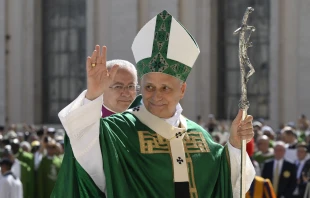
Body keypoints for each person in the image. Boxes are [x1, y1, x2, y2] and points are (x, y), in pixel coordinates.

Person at [54, 10, 255, 198]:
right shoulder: (118, 131)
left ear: (182, 90)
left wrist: (236, 144)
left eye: (165, 88)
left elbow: (227, 183)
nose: (155, 96)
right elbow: (82, 147)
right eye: (149, 87)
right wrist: (93, 96)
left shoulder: (198, 136)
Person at [51, 59, 140, 197]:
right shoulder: (87, 120)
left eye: (131, 86)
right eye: (118, 86)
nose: (126, 93)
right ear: (102, 86)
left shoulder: (144, 120)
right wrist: (92, 95)